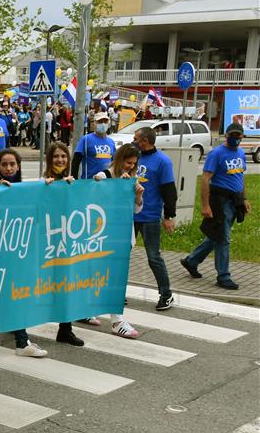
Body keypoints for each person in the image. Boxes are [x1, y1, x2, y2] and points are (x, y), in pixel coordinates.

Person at [180, 123, 250, 290]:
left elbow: (240, 176)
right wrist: (205, 205)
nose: (236, 139)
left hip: (235, 200)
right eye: (233, 135)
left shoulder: (240, 153)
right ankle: (223, 276)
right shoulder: (216, 154)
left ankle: (191, 261)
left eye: (239, 136)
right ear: (227, 136)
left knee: (215, 236)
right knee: (223, 239)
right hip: (220, 200)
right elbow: (205, 179)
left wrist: (244, 198)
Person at [93, 144, 145, 338]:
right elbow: (93, 201)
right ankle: (94, 311)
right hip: (103, 236)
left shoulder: (131, 178)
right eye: (128, 162)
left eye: (133, 164)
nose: (130, 167)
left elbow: (136, 210)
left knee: (116, 278)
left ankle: (116, 319)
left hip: (122, 237)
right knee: (98, 275)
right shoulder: (104, 176)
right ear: (119, 159)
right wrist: (108, 186)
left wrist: (138, 195)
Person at [42, 143, 85, 346]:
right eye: (56, 157)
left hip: (65, 244)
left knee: (65, 284)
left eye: (63, 157)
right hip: (44, 244)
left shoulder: (72, 183)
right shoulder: (42, 183)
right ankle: (17, 325)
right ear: (49, 159)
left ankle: (65, 329)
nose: (60, 160)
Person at [132, 126, 176, 310]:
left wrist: (169, 216)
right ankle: (117, 292)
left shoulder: (162, 162)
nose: (134, 141)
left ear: (146, 141)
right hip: (131, 215)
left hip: (150, 216)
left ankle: (166, 294)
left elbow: (169, 191)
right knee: (122, 255)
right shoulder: (134, 157)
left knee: (153, 257)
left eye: (136, 139)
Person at [72, 112, 115, 179]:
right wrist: (74, 179)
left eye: (105, 122)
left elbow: (113, 163)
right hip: (88, 182)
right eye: (100, 122)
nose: (103, 124)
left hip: (106, 182)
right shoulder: (86, 139)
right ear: (94, 123)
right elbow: (76, 161)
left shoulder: (111, 142)